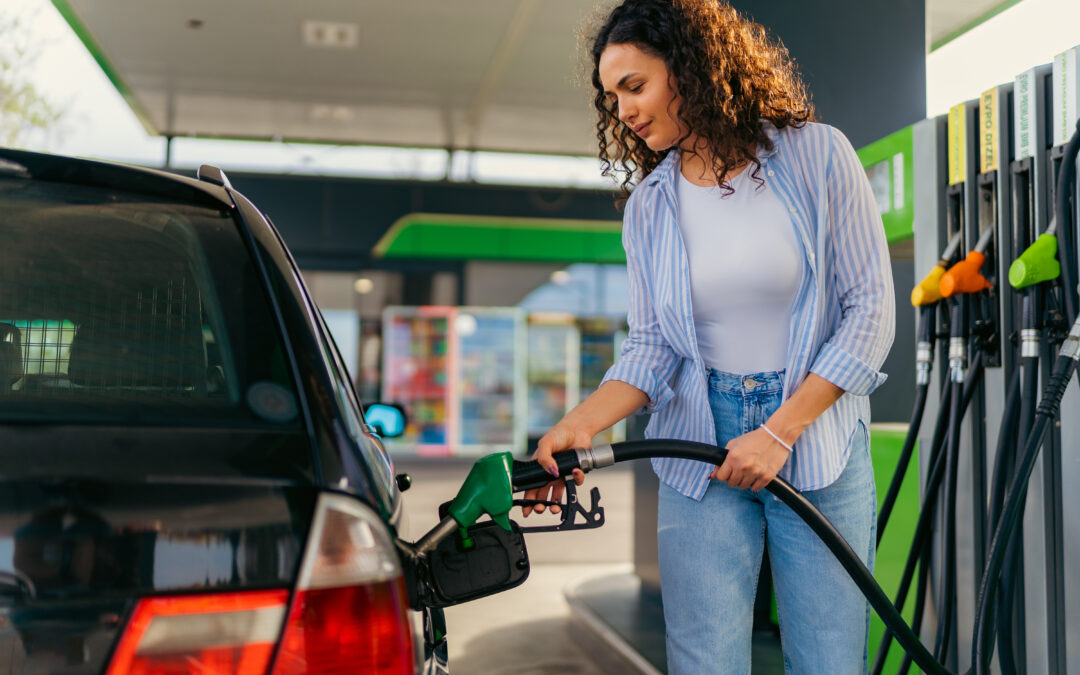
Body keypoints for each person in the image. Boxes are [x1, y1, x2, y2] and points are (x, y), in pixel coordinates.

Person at [522, 0, 896, 672]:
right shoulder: (651, 206)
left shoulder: (817, 156)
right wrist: (581, 423)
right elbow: (653, 346)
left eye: (635, 86)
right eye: (612, 98)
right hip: (697, 440)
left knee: (830, 659)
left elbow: (870, 312)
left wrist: (779, 431)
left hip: (815, 435)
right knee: (703, 661)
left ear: (690, 68)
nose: (623, 112)